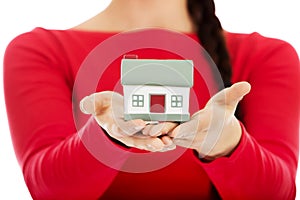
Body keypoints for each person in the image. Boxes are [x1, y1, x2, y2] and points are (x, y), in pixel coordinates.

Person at [3, 0, 299, 199]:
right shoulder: (40, 50)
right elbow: (50, 191)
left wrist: (228, 145)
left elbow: (276, 193)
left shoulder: (266, 55)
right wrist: (105, 137)